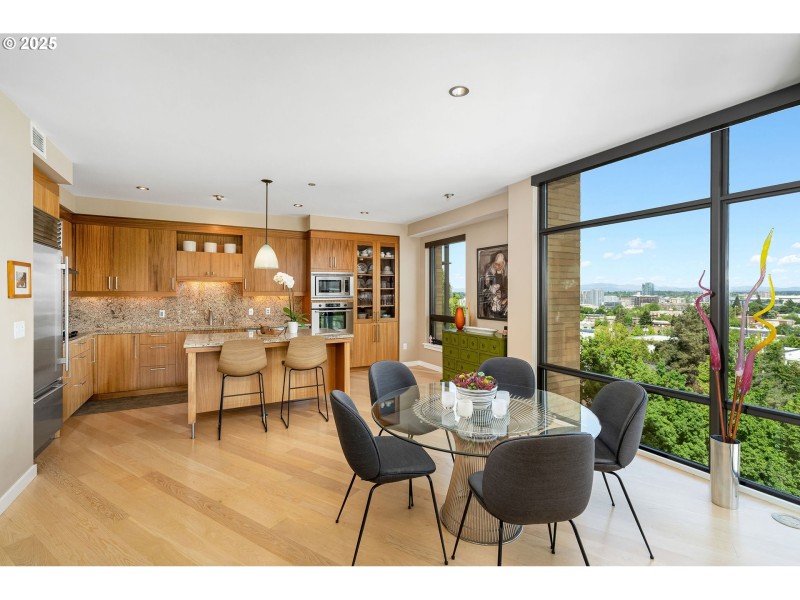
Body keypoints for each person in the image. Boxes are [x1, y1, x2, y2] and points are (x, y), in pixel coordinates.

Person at [482, 252, 507, 318]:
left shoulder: (505, 270)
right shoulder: (490, 269)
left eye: (500, 264)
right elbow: (486, 284)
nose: (498, 266)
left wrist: (502, 294)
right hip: (491, 297)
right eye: (496, 264)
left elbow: (507, 288)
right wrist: (491, 290)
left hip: (501, 300)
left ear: (503, 263)